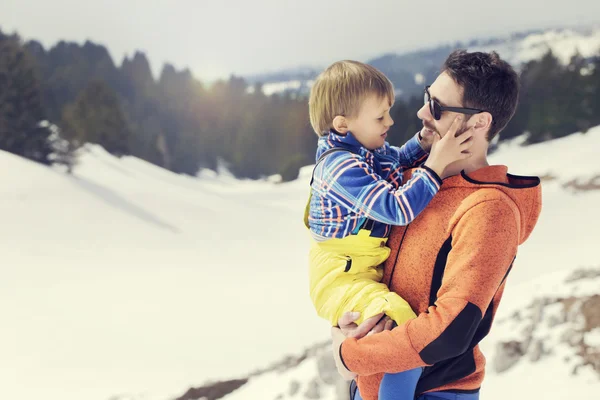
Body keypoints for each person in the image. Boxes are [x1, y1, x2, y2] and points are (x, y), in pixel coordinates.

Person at [330, 50, 542, 400]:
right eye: (429, 97)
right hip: (371, 382)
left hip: (432, 393)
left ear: (479, 123)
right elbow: (356, 259)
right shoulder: (411, 183)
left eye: (439, 108)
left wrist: (349, 355)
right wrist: (342, 328)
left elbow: (449, 330)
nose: (422, 112)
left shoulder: (489, 210)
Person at [304, 60, 473, 400]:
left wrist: (424, 143)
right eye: (380, 117)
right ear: (342, 124)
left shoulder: (363, 149)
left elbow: (394, 161)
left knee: (391, 334)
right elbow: (397, 208)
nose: (390, 122)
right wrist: (435, 166)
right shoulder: (339, 168)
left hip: (359, 269)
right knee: (400, 328)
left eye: (389, 112)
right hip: (341, 276)